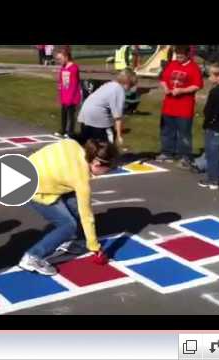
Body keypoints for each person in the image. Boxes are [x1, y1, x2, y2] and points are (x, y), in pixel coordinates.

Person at [18, 138, 119, 276]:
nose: (107, 173)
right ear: (96, 163)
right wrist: (95, 247)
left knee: (74, 204)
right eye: (107, 170)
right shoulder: (81, 180)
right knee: (68, 225)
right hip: (29, 188)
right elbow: (86, 216)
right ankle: (32, 257)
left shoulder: (72, 144)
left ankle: (74, 241)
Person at [156, 45, 204, 168]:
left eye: (181, 56)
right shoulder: (172, 64)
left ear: (188, 54)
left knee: (184, 133)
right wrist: (166, 87)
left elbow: (197, 85)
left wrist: (182, 90)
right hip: (169, 105)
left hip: (184, 106)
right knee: (167, 131)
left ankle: (185, 156)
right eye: (177, 55)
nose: (179, 58)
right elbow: (163, 79)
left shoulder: (194, 68)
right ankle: (167, 153)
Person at [77, 68, 138, 145]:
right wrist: (119, 136)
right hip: (97, 116)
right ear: (127, 83)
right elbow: (117, 117)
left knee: (88, 144)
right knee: (106, 145)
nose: (130, 88)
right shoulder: (119, 90)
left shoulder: (109, 84)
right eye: (131, 85)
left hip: (85, 114)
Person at [54, 47, 81, 138]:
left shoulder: (74, 68)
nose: (59, 61)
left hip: (73, 97)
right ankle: (63, 129)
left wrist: (70, 99)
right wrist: (60, 96)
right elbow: (61, 82)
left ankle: (70, 132)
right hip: (64, 96)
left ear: (66, 57)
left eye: (60, 59)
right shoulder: (63, 68)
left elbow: (73, 85)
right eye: (58, 59)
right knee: (64, 114)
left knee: (71, 115)